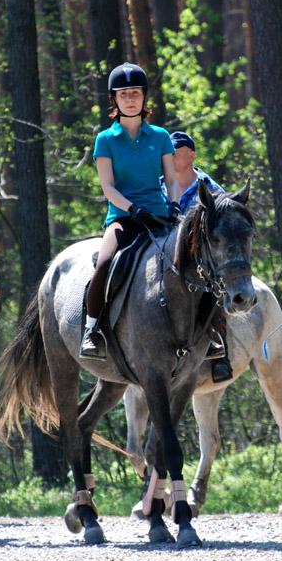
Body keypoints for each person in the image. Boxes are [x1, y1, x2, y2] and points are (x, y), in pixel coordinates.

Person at [81, 63, 181, 360]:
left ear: (144, 97)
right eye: (124, 94)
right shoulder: (105, 140)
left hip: (159, 215)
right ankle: (92, 329)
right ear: (114, 99)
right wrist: (132, 209)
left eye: (135, 93)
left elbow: (172, 179)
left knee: (195, 259)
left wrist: (174, 205)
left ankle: (214, 334)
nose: (130, 99)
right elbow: (108, 187)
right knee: (105, 263)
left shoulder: (161, 136)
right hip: (124, 218)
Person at [166, 130, 231, 383]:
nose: (171, 158)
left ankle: (219, 350)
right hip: (166, 254)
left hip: (199, 259)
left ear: (191, 155)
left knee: (213, 293)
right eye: (169, 153)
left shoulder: (210, 188)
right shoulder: (162, 183)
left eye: (177, 154)